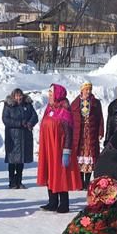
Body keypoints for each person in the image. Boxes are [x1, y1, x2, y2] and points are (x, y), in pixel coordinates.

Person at [37, 83, 80, 213]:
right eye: (49, 93)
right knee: (50, 173)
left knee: (60, 174)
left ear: (58, 94)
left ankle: (64, 203)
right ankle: (52, 201)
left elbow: (68, 132)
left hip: (59, 149)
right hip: (48, 148)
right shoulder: (49, 109)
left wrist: (66, 151)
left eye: (51, 93)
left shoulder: (64, 110)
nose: (49, 95)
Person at [2, 88, 38, 190]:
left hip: (24, 136)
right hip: (13, 137)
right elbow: (5, 119)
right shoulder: (8, 106)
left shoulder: (27, 105)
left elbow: (34, 116)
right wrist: (19, 123)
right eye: (17, 96)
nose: (19, 98)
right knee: (12, 160)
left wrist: (30, 123)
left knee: (21, 160)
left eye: (20, 95)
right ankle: (12, 182)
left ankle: (19, 181)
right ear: (13, 97)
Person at [72, 82, 104, 189]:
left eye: (90, 89)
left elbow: (100, 118)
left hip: (91, 133)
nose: (88, 92)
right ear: (82, 90)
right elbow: (71, 118)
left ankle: (87, 182)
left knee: (90, 156)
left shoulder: (95, 103)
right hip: (79, 134)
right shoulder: (75, 103)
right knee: (79, 156)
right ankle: (80, 182)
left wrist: (100, 131)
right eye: (86, 89)